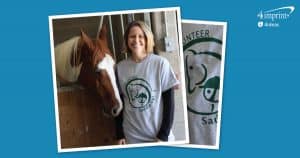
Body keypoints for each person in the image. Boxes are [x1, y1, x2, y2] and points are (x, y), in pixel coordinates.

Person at [115, 21, 179, 144]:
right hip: (132, 137)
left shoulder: (160, 63)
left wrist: (163, 135)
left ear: (147, 38)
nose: (136, 40)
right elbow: (119, 103)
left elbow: (169, 104)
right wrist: (119, 134)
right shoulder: (119, 68)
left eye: (141, 36)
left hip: (158, 137)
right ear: (127, 40)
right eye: (132, 36)